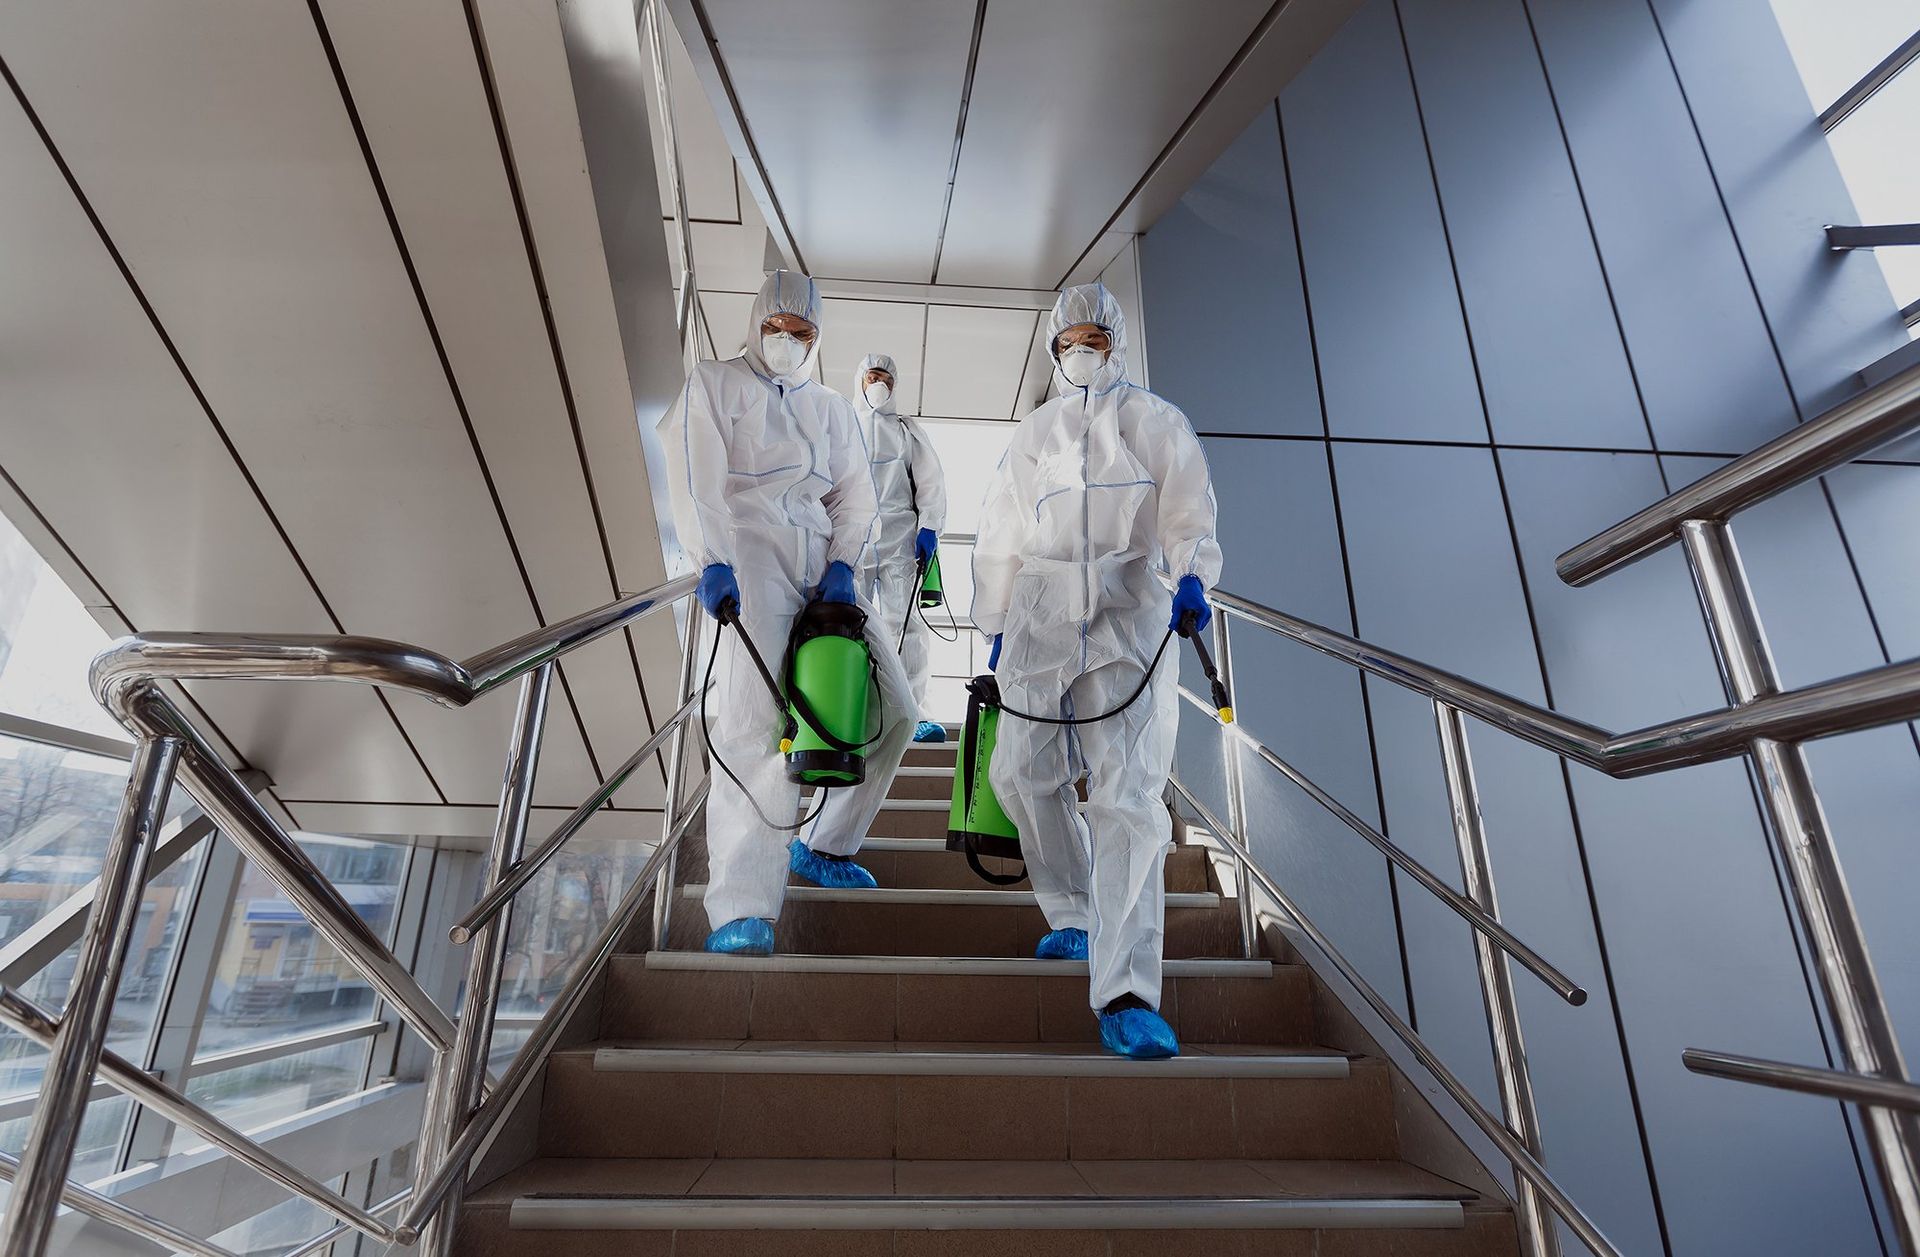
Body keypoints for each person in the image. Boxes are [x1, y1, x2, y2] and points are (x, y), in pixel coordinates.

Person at [972, 283, 1222, 1059]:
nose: (1081, 352)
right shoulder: (1035, 432)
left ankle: (1125, 990)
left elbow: (1188, 511)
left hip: (1130, 614)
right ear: (1054, 350)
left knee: (1129, 799)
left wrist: (1192, 576)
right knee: (1018, 772)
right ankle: (1074, 910)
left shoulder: (1156, 421)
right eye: (1068, 341)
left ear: (1115, 343)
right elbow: (1003, 529)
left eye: (1094, 339)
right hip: (1042, 617)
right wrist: (993, 620)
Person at [659, 270, 915, 954]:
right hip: (752, 554)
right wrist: (710, 557)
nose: (786, 342)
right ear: (756, 323)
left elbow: (857, 496)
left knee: (897, 708)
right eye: (775, 328)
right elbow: (693, 472)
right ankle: (742, 906)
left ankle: (823, 841)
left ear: (817, 339)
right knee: (754, 726)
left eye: (800, 333)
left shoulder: (831, 408)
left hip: (825, 571)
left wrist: (843, 559)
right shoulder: (716, 385)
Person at [852, 353, 947, 743]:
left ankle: (913, 714)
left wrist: (930, 528)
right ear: (860, 381)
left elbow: (931, 483)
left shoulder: (907, 431)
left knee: (905, 628)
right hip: (852, 543)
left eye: (886, 379)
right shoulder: (844, 426)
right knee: (849, 625)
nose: (879, 384)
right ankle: (853, 712)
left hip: (899, 542)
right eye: (873, 376)